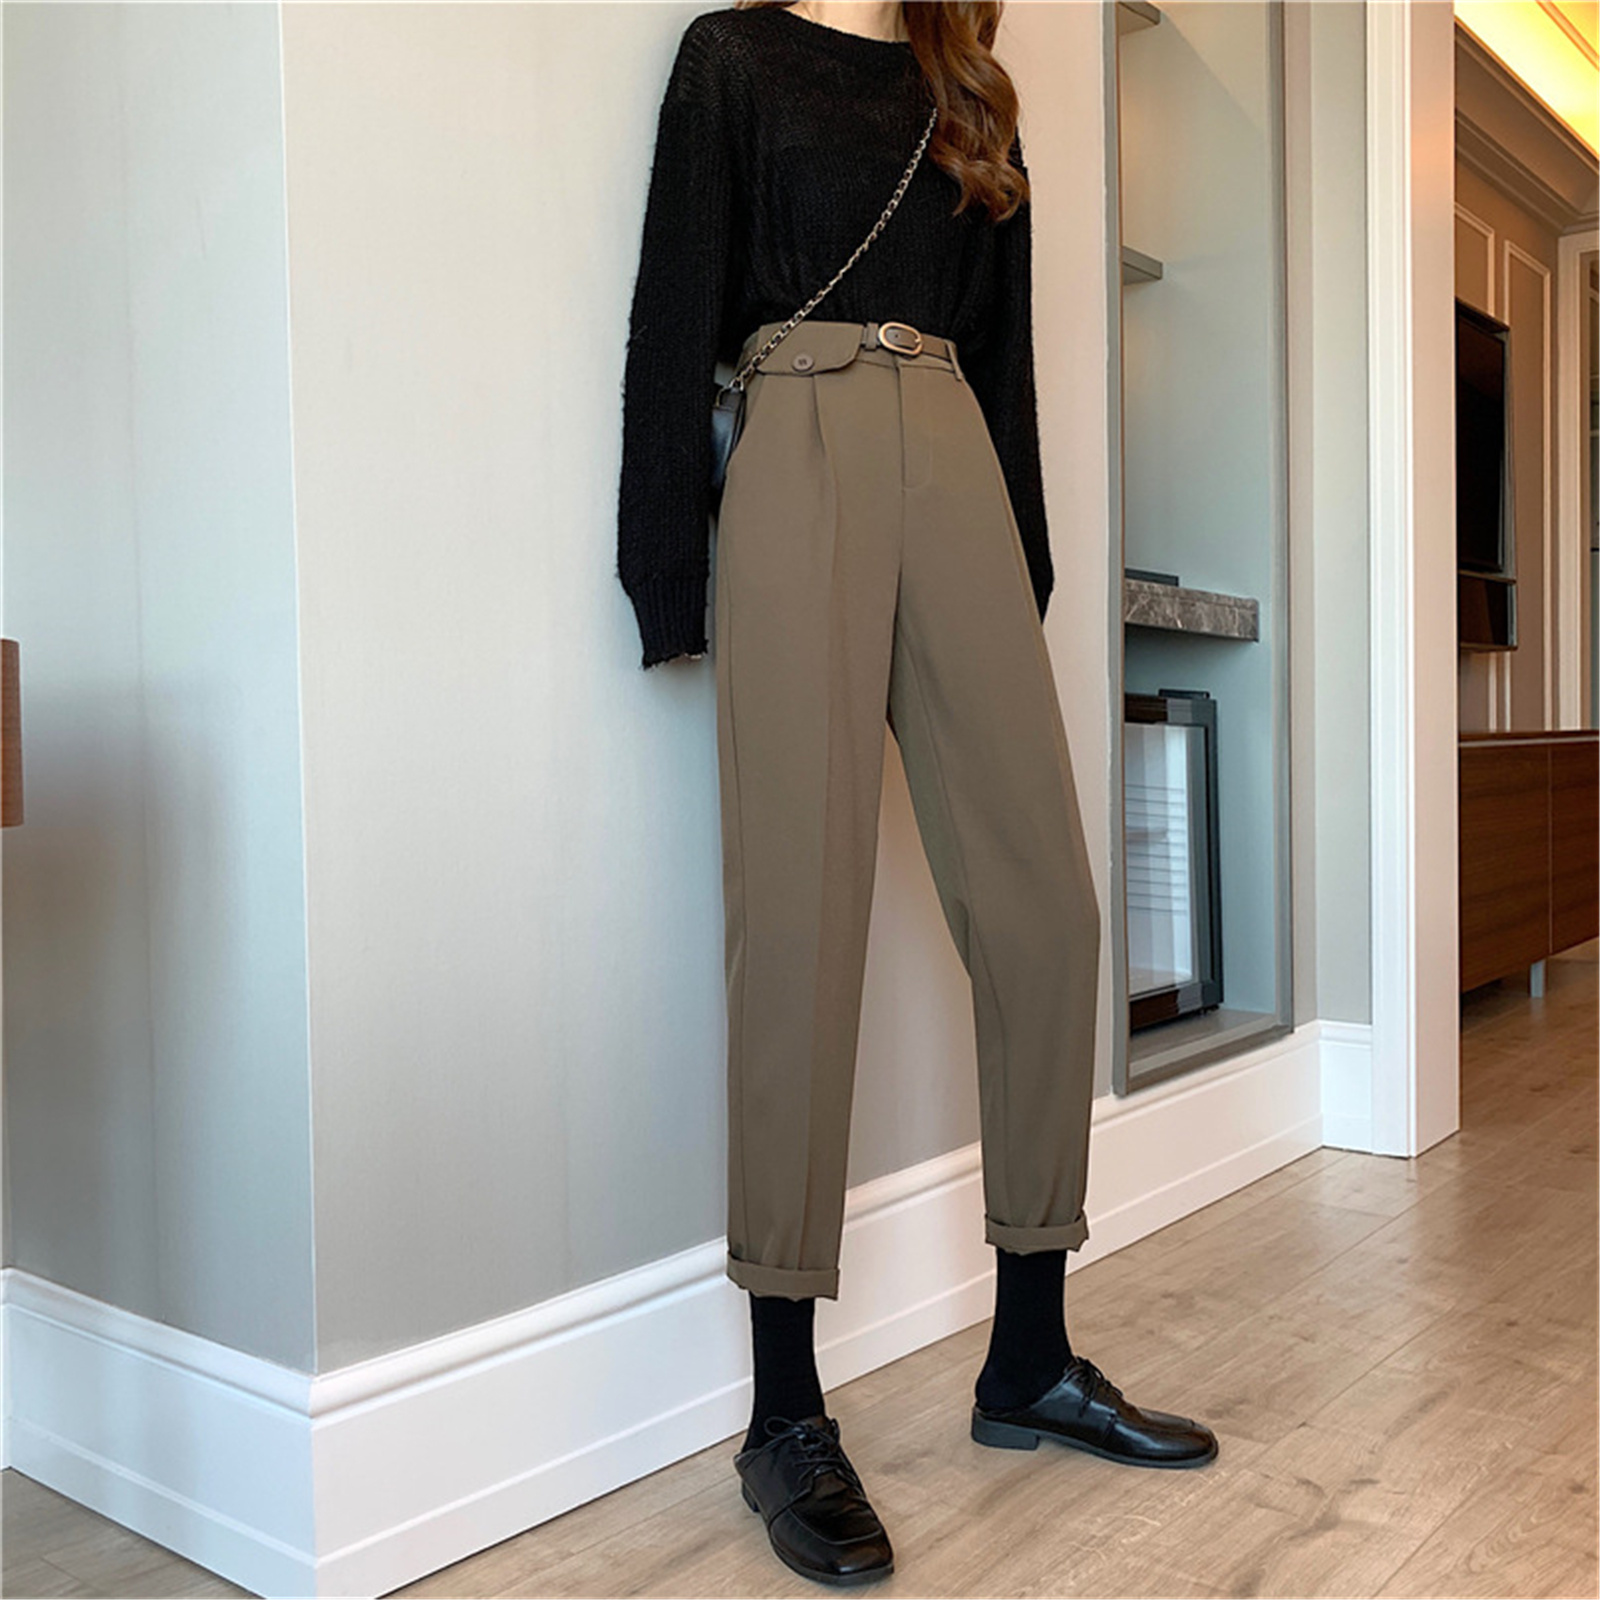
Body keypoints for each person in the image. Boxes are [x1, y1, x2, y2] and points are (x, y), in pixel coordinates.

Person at [616, 0, 1216, 1584]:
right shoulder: (736, 58)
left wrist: (1020, 573)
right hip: (794, 442)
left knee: (1047, 915)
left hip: (956, 458)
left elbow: (1006, 361)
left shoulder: (975, 93)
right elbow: (674, 311)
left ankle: (1029, 1360)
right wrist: (664, 567)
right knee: (796, 927)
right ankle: (783, 1412)